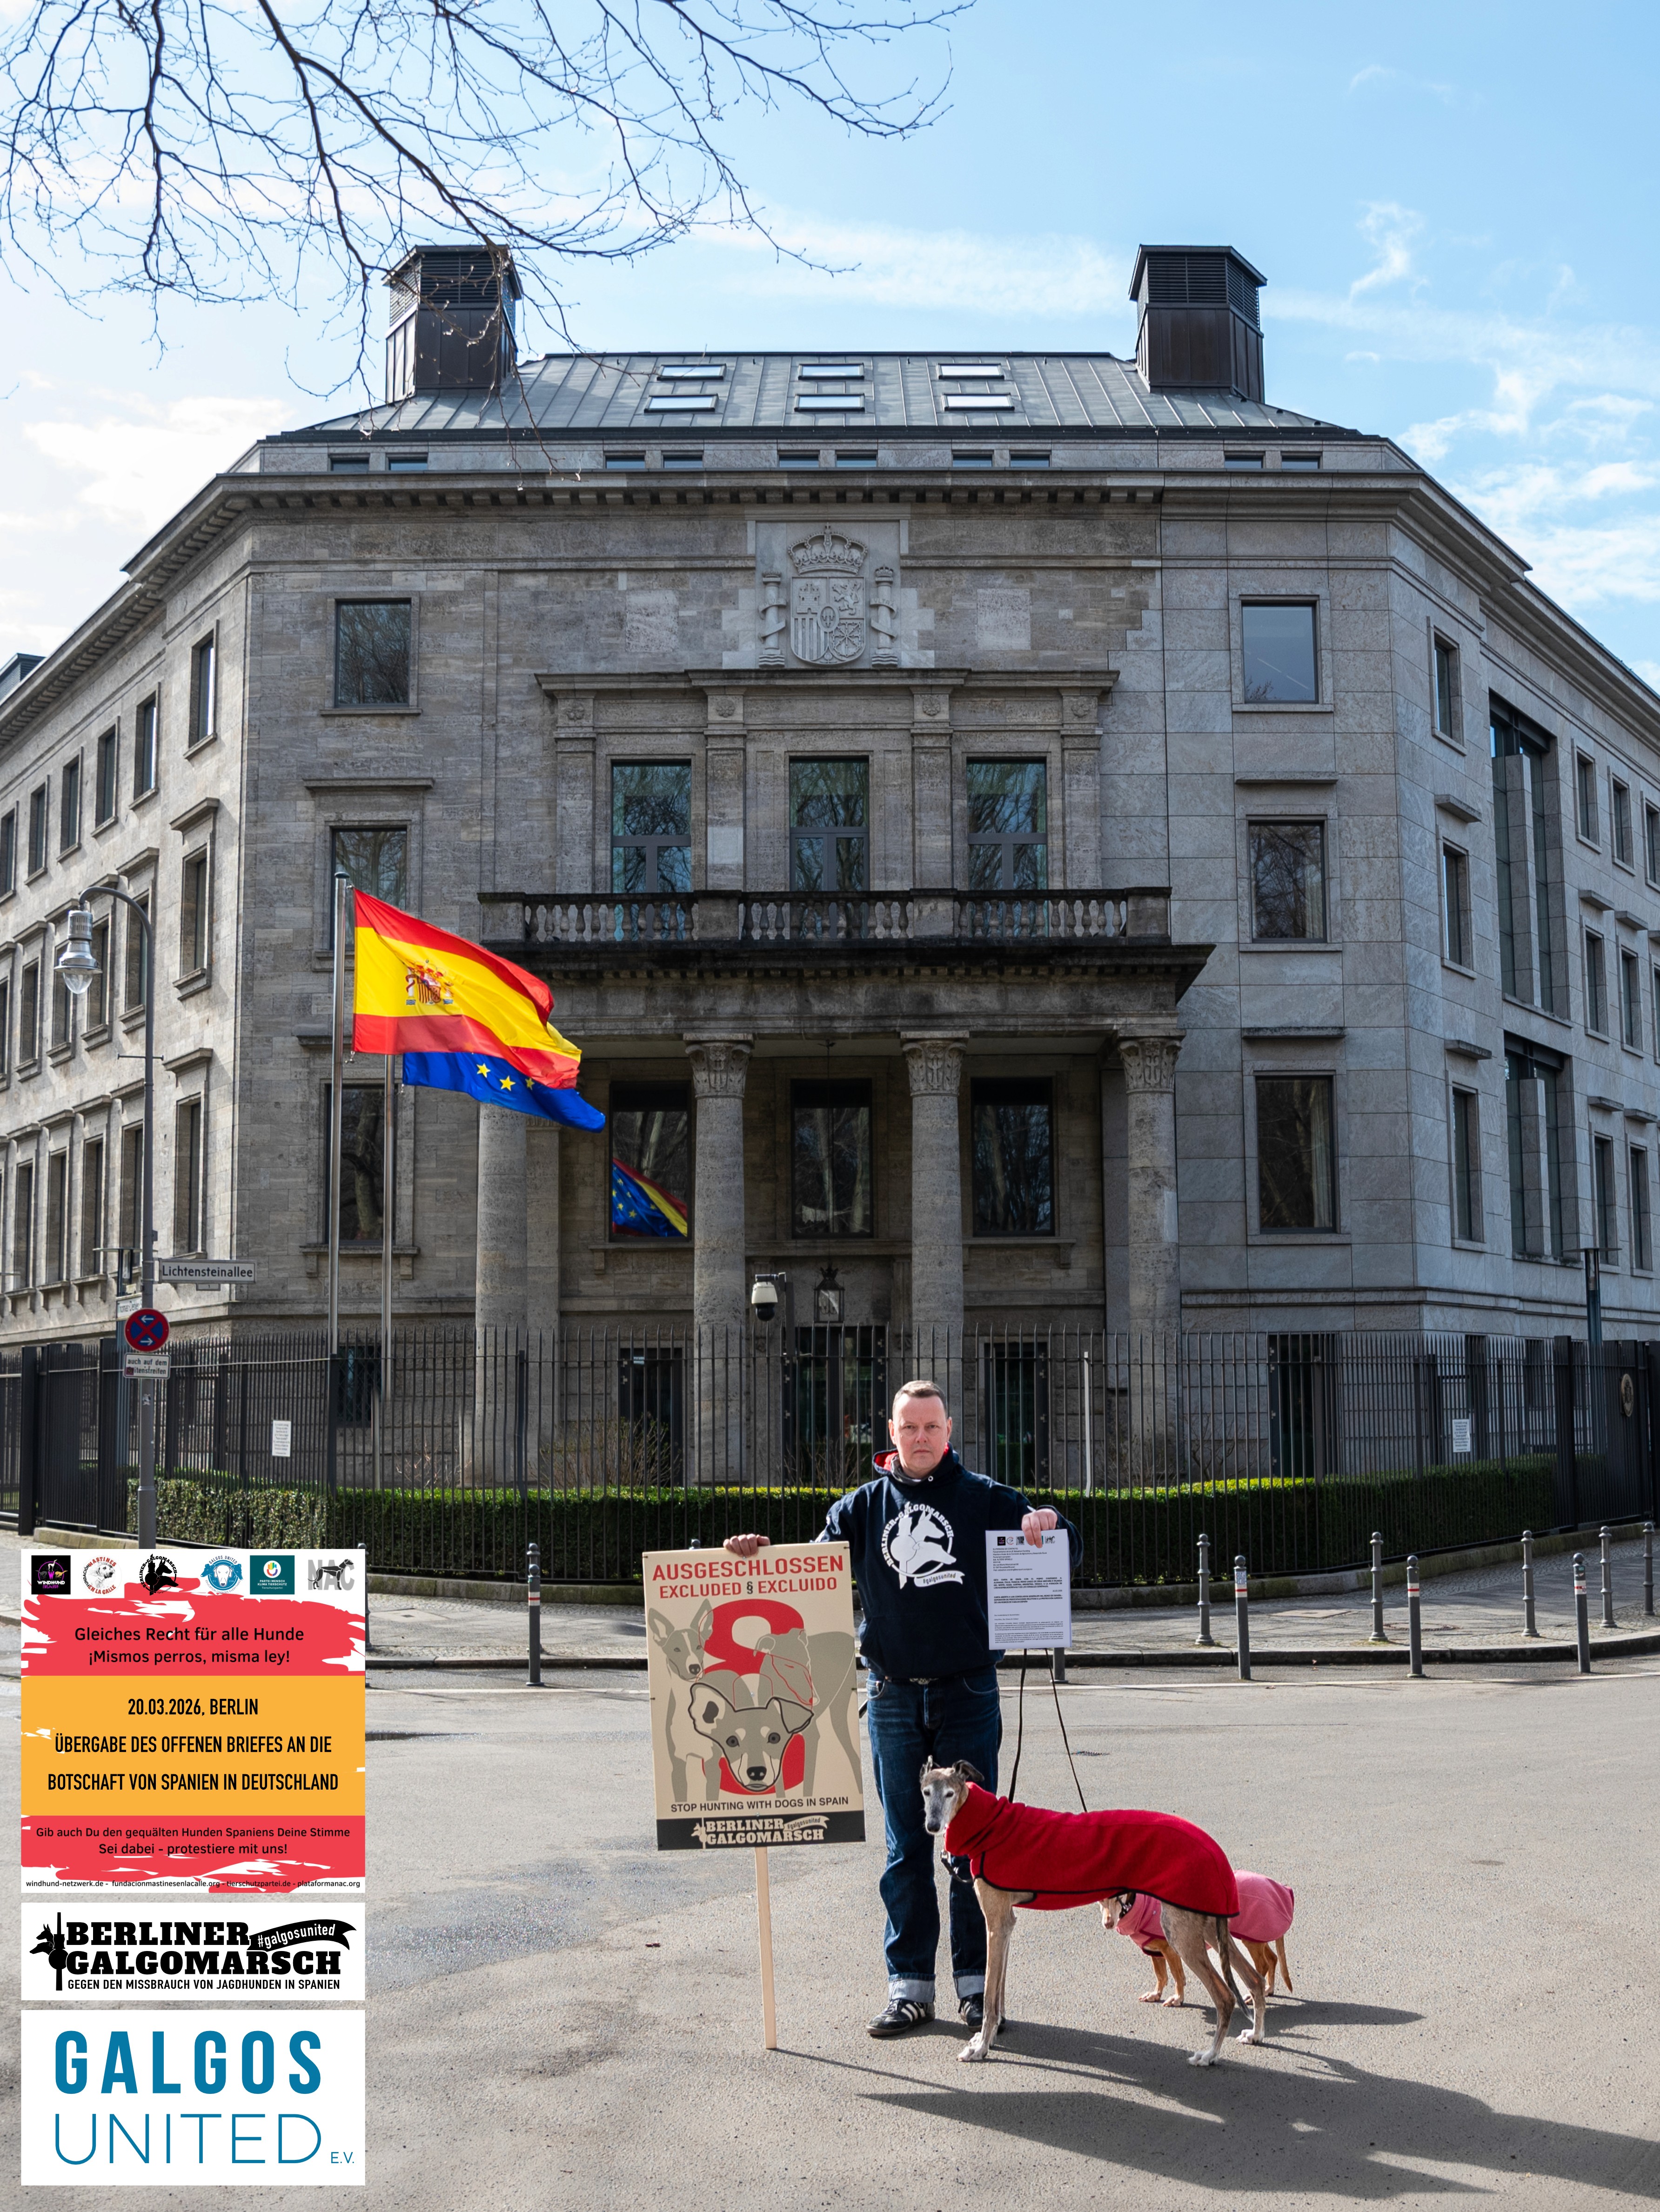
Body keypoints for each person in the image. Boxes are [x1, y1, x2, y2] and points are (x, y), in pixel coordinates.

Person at [724, 1377, 1081, 2039]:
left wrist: (1051, 1527)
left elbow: (1063, 1555)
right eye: (909, 1427)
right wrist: (755, 1557)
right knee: (904, 1848)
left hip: (968, 1690)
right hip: (890, 1694)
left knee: (975, 1849)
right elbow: (806, 1577)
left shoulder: (987, 1501)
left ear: (950, 1433)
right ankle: (909, 1988)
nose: (921, 1439)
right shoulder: (859, 1509)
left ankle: (978, 1990)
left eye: (932, 1428)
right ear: (890, 1434)